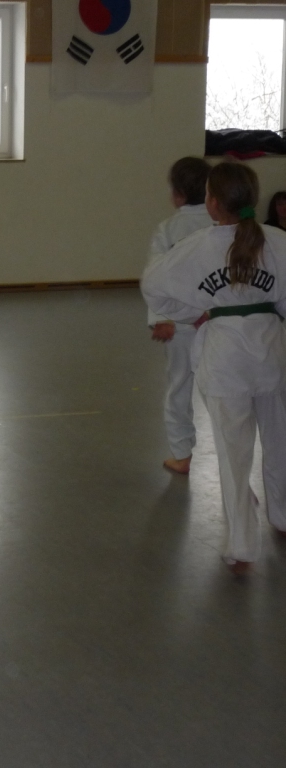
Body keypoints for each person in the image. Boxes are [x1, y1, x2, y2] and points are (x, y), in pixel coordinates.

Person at [142, 162, 286, 575]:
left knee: (233, 452)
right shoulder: (278, 241)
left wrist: (193, 311)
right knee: (279, 441)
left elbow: (153, 285)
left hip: (224, 357)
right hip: (270, 350)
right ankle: (282, 515)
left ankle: (242, 546)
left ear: (212, 203)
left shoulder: (198, 246)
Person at [143, 157, 214, 475]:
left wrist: (161, 317)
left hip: (181, 323)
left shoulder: (168, 229)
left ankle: (182, 454)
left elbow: (155, 277)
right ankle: (232, 446)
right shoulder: (222, 225)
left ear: (178, 194)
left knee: (179, 387)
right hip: (220, 322)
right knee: (220, 386)